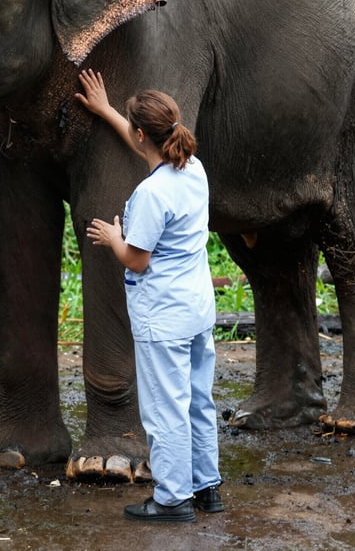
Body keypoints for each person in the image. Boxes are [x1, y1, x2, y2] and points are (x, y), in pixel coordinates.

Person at [75, 69, 224, 523]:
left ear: (143, 134)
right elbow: (148, 149)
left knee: (164, 411)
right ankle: (206, 489)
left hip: (164, 318)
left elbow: (136, 259)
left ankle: (173, 499)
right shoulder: (191, 168)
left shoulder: (150, 194)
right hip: (196, 309)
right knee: (199, 400)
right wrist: (106, 110)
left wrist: (111, 236)